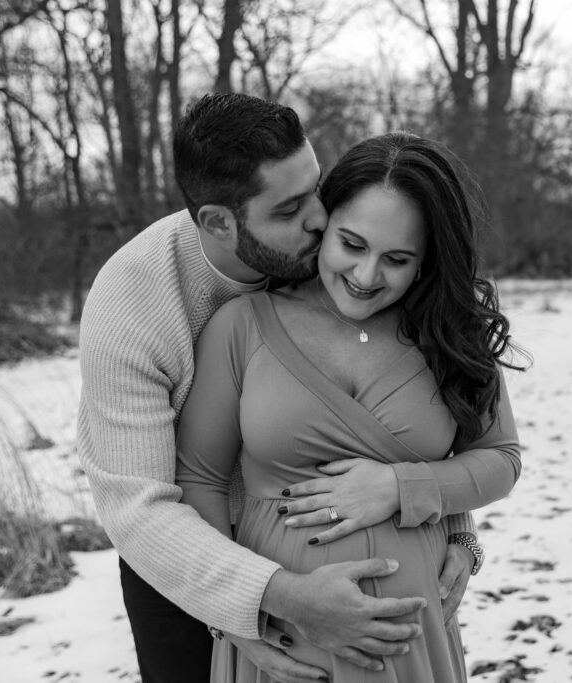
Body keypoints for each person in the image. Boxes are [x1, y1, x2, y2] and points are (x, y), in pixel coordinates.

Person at [77, 94, 481, 683]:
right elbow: (140, 508)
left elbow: (407, 400)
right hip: (188, 564)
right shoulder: (132, 307)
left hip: (351, 559)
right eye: (291, 208)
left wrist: (454, 526)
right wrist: (251, 614)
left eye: (316, 189)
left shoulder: (328, 255)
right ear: (219, 222)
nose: (320, 219)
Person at [176, 131, 523, 682]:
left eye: (398, 259)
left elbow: (500, 458)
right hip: (283, 640)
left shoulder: (450, 334)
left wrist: (403, 488)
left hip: (412, 646)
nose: (366, 277)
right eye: (352, 245)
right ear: (323, 221)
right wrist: (235, 616)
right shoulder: (241, 328)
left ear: (427, 260)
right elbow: (198, 479)